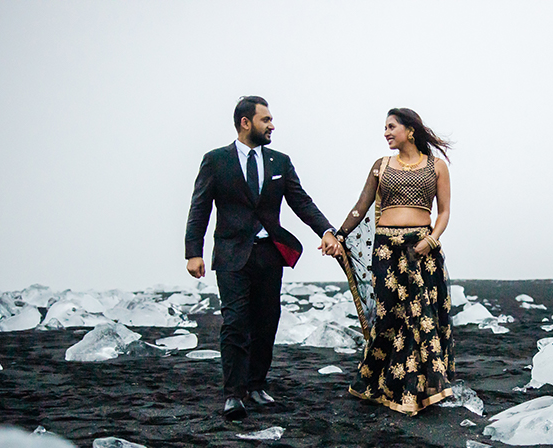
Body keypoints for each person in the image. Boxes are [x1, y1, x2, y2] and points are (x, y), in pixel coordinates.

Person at [185, 96, 342, 419]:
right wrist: (193, 253)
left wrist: (327, 231)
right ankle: (234, 393)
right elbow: (199, 207)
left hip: (270, 254)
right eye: (265, 120)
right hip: (231, 255)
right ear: (246, 123)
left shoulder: (280, 162)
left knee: (267, 322)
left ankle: (256, 385)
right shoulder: (216, 161)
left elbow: (301, 201)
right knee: (235, 323)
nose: (272, 125)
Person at [327, 108, 454, 415]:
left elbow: (445, 212)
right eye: (385, 127)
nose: (385, 132)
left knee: (420, 316)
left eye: (391, 127)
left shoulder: (437, 167)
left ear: (410, 130)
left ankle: (414, 391)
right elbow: (361, 207)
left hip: (421, 250)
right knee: (388, 317)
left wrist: (430, 240)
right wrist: (337, 234)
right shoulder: (380, 166)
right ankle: (380, 384)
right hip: (385, 251)